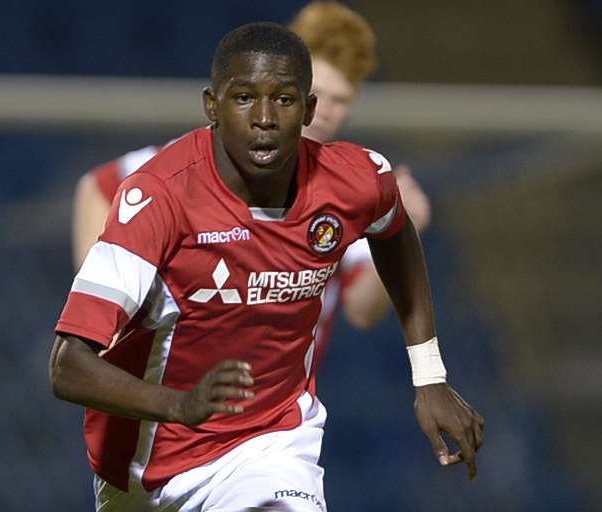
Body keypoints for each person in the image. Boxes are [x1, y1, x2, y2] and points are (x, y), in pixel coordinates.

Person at [51, 22, 483, 511]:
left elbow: (394, 229)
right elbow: (67, 367)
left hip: (269, 444)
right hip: (140, 469)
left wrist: (429, 374)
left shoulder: (354, 179)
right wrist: (179, 403)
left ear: (309, 109)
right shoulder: (158, 197)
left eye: (284, 99)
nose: (264, 118)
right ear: (212, 106)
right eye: (243, 99)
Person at [71, 2, 431, 361]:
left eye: (340, 100)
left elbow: (361, 309)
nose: (325, 111)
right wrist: (110, 301)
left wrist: (404, 223)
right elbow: (99, 186)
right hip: (175, 381)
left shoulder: (347, 190)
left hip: (277, 394)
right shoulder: (189, 167)